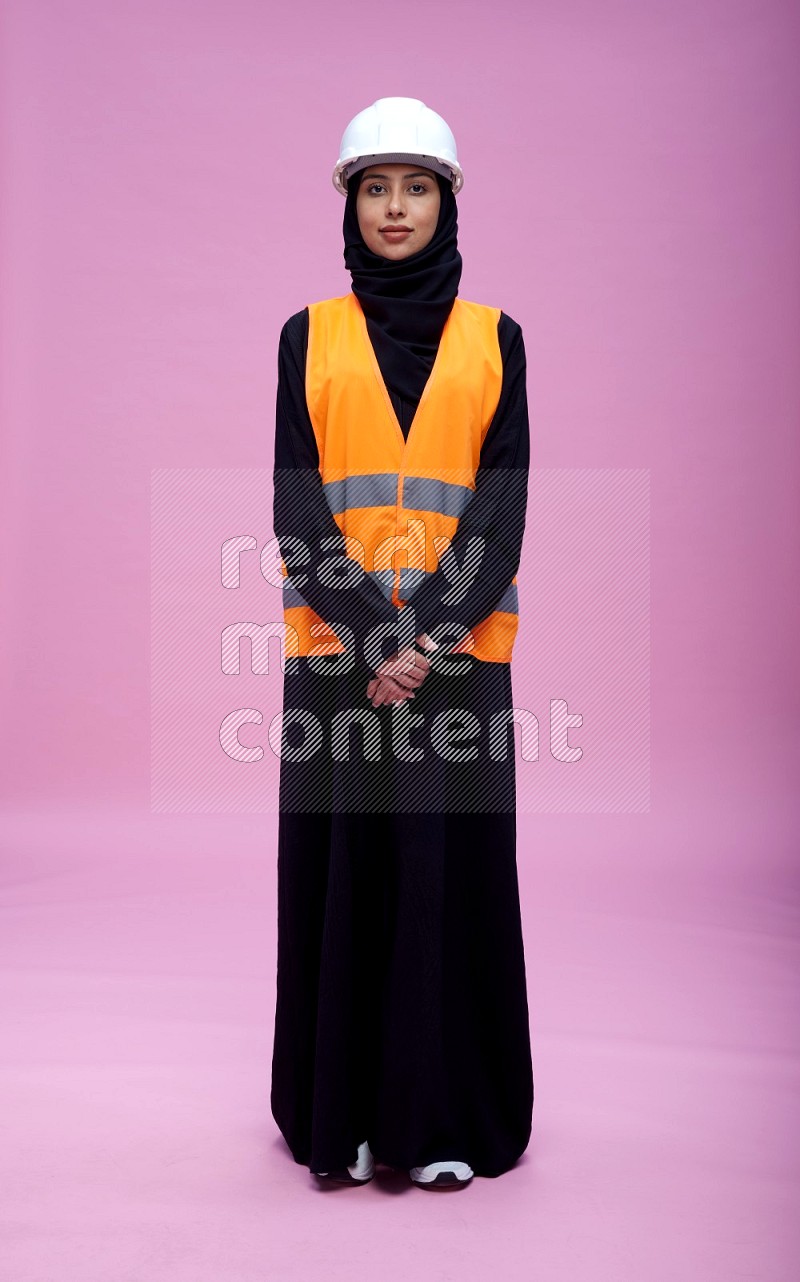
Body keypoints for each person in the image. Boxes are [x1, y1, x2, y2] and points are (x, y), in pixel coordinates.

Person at [270, 97, 534, 1190]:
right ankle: (345, 1118)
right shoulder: (306, 335)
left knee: (446, 882)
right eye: (374, 187)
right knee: (344, 877)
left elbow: (500, 508)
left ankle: (442, 1119)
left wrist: (421, 634)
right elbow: (296, 507)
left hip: (459, 663)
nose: (394, 207)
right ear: (348, 201)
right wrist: (377, 634)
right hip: (336, 660)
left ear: (448, 201)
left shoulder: (496, 339)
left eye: (415, 186)